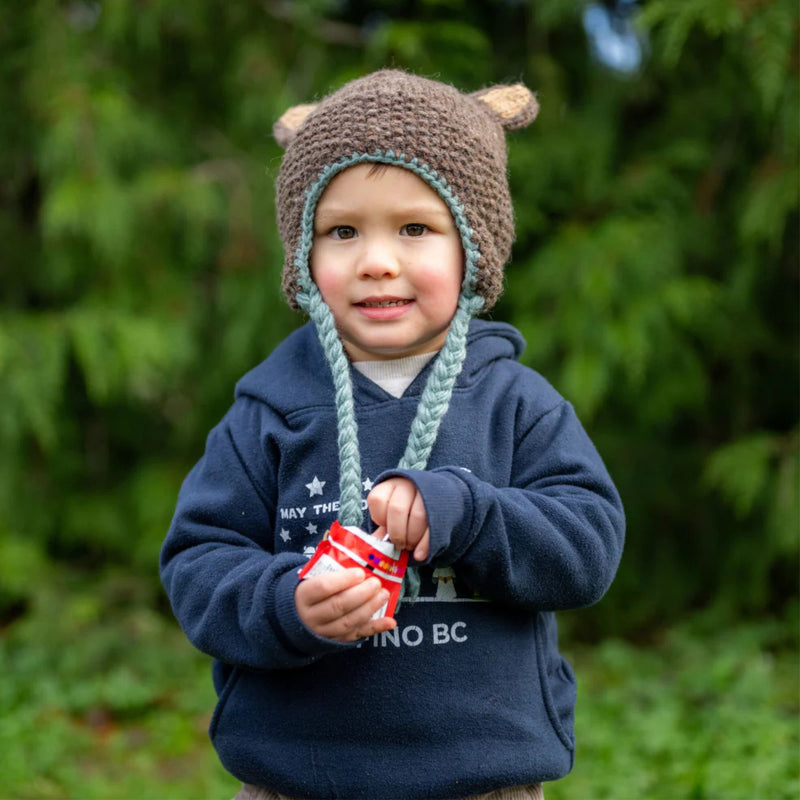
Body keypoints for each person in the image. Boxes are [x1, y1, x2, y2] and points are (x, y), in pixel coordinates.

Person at [160, 69, 625, 800]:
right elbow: (198, 562)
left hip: (484, 776)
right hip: (297, 775)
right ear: (303, 257)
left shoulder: (514, 403)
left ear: (474, 246)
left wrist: (468, 514)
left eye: (415, 228)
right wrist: (287, 603)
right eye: (342, 231)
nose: (377, 260)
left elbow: (588, 547)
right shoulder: (270, 411)